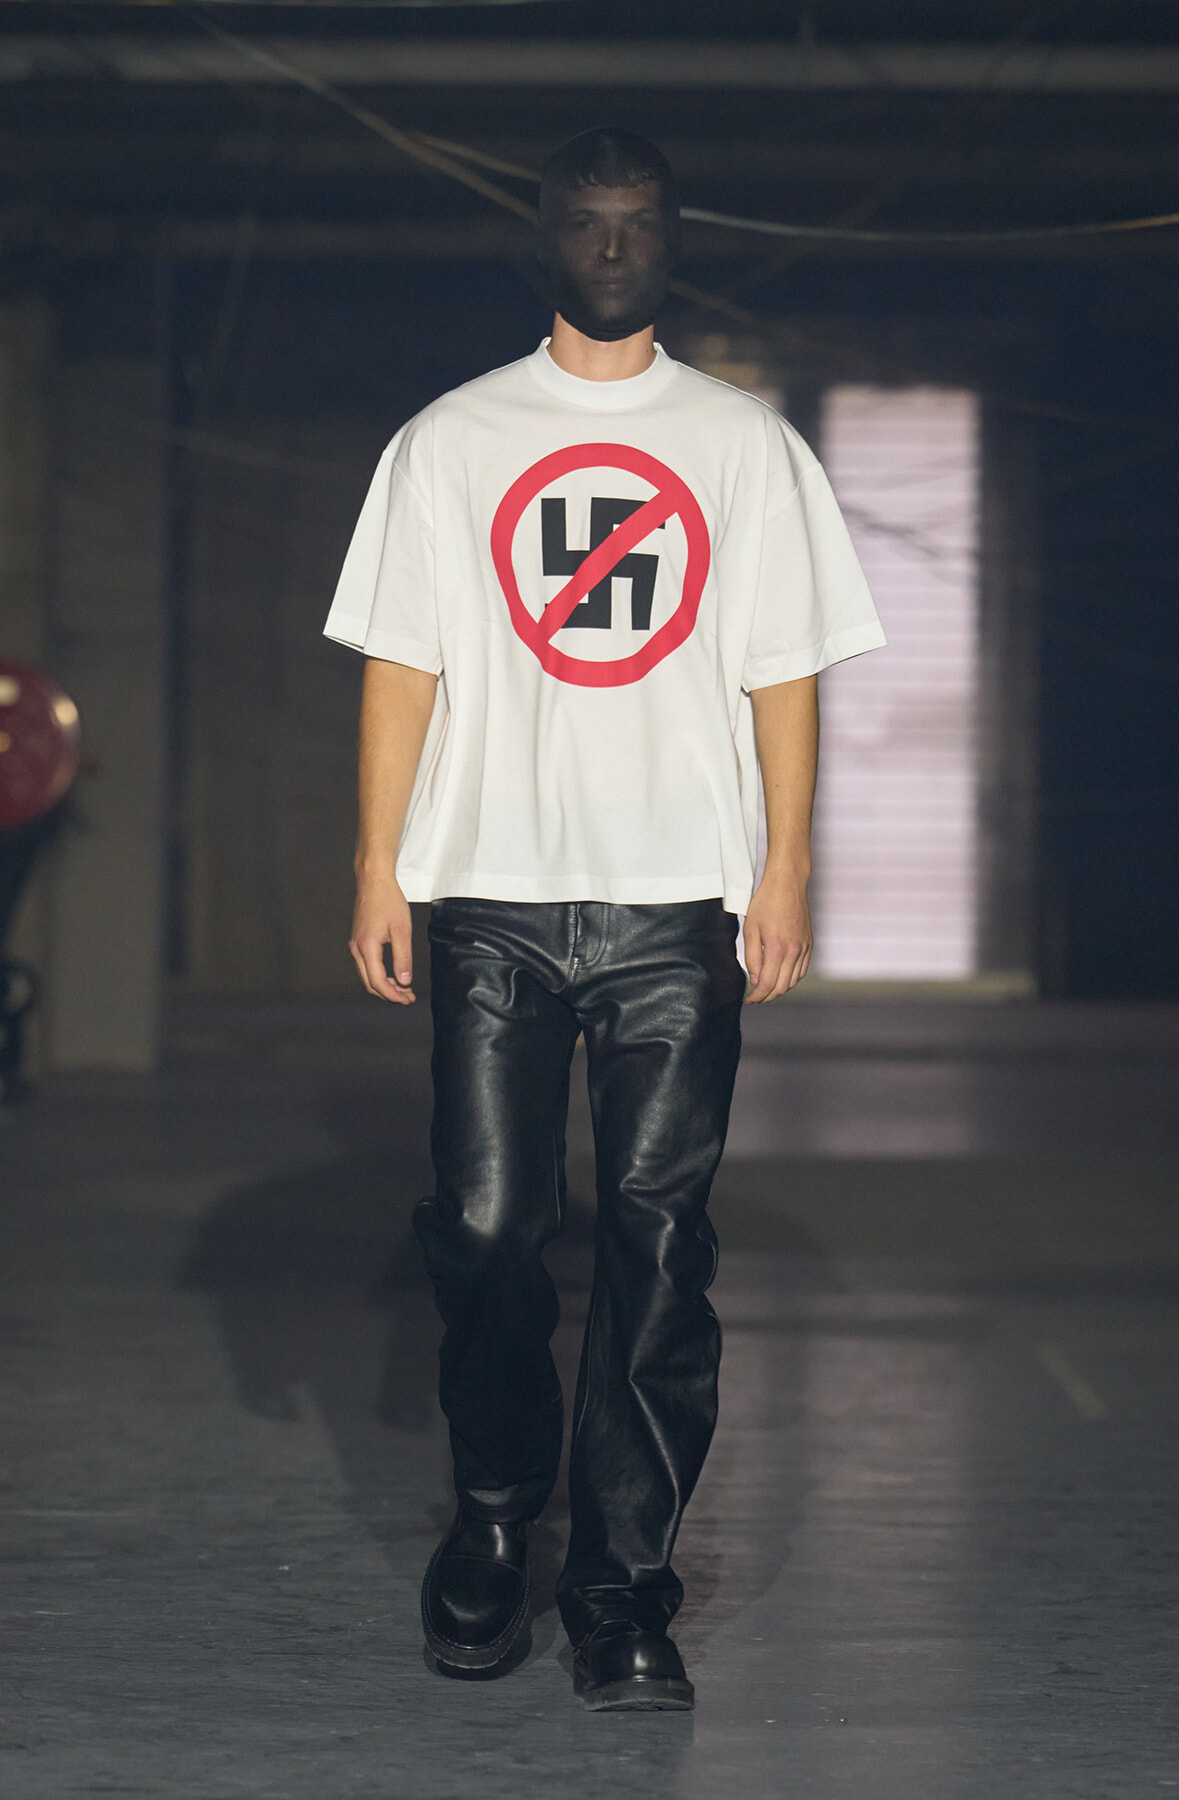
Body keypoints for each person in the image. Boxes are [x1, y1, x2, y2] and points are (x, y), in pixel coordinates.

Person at [324, 127, 884, 1711]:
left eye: (642, 226)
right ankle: (497, 1517)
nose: (616, 251)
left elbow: (785, 668)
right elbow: (403, 664)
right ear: (547, 238)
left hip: (673, 905)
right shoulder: (450, 440)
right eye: (591, 224)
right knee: (490, 1227)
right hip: (493, 890)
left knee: (658, 1248)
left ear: (676, 240)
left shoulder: (745, 447)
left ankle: (623, 1588)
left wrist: (781, 872)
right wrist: (381, 865)